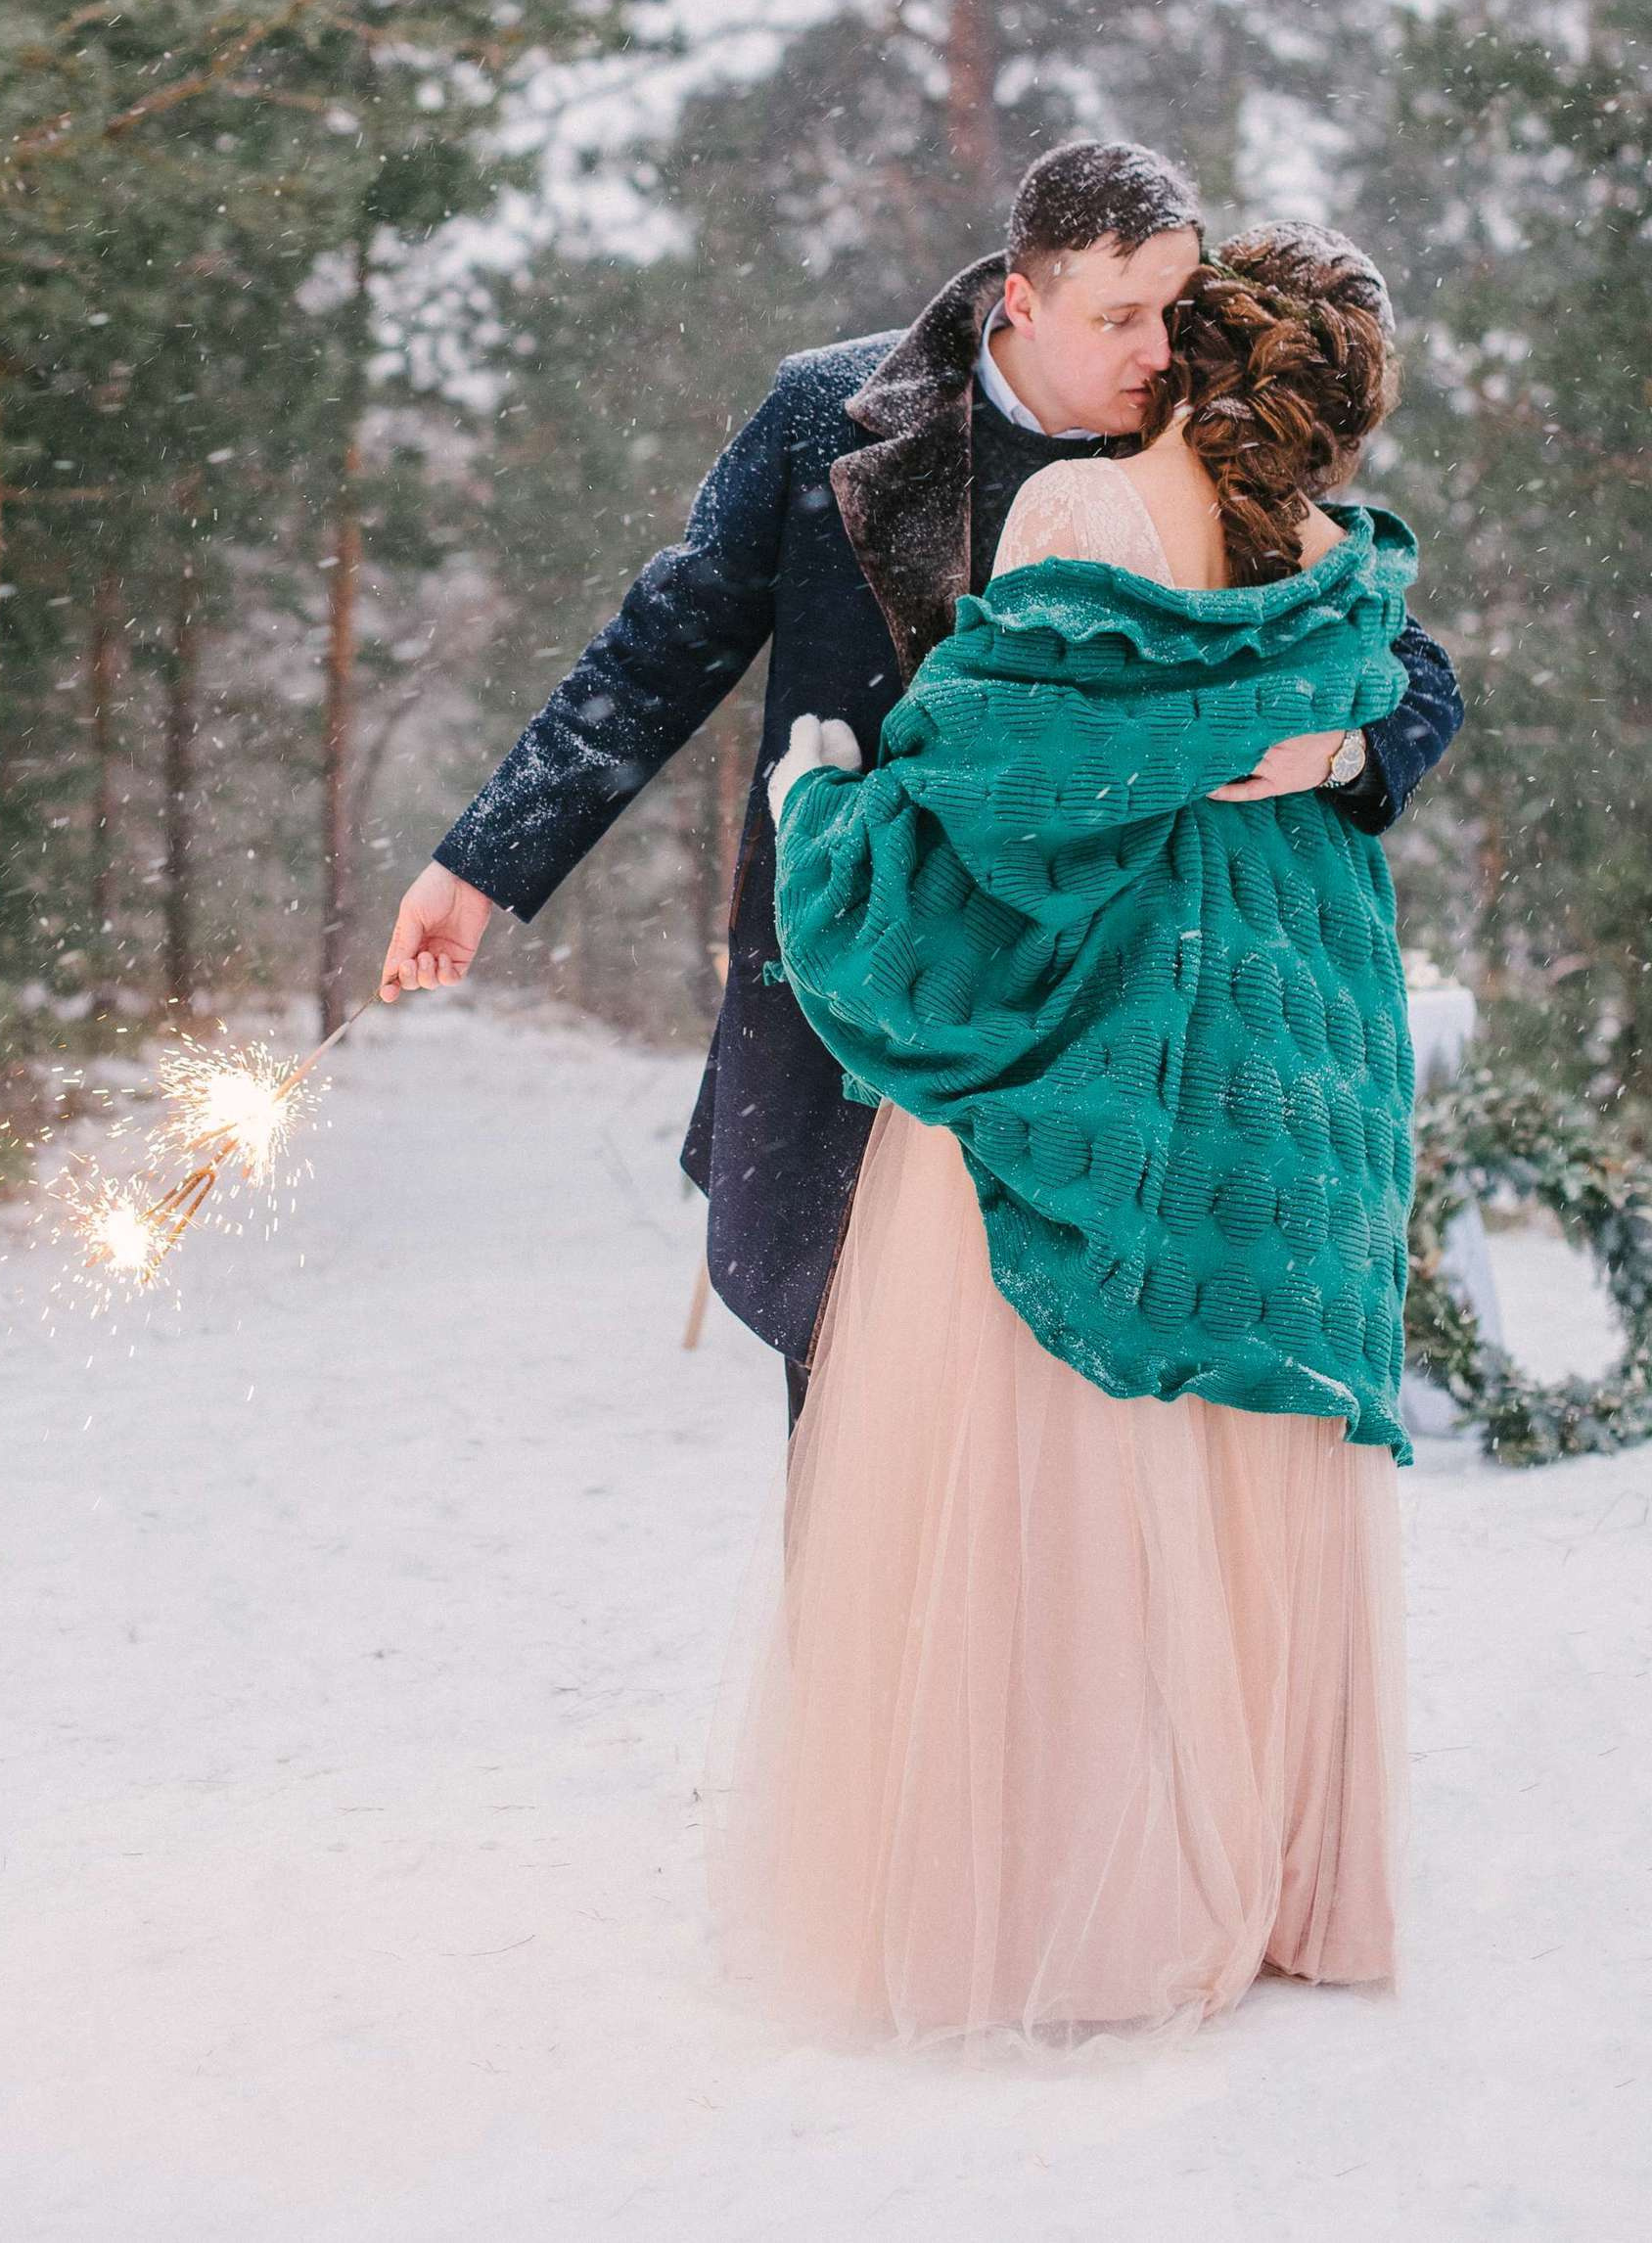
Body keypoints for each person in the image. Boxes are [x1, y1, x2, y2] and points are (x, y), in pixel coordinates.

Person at [378, 145, 1464, 1443]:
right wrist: (482, 863)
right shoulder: (820, 417)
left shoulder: (1205, 438)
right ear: (1021, 296)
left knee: (1065, 1475)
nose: (1164, 347)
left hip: (1093, 1044)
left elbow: (1396, 652)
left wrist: (1344, 754)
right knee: (860, 1452)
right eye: (1120, 316)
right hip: (861, 1000)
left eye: (1179, 309)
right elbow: (660, 650)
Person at [706, 223, 1434, 2056]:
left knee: (1073, 1452)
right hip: (1296, 1040)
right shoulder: (1339, 558)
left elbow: (991, 808)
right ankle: (1270, 1870)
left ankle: (1080, 1894)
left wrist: (824, 816)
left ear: (1187, 352)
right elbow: (1361, 702)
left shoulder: (1088, 523)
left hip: (1109, 1030)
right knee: (1235, 1448)